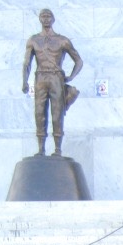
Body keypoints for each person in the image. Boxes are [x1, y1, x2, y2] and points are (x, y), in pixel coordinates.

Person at [21, 8, 83, 157]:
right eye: (43, 16)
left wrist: (71, 77)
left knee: (57, 112)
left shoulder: (62, 40)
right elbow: (27, 63)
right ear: (39, 19)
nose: (46, 18)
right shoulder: (33, 40)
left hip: (56, 78)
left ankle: (57, 149)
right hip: (40, 78)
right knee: (39, 112)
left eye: (49, 16)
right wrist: (24, 81)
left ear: (53, 19)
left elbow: (79, 61)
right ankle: (41, 149)